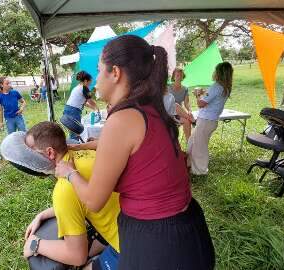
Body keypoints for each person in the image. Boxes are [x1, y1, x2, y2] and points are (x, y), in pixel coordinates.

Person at [55, 35, 215, 270]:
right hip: (189, 229)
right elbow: (135, 151)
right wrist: (81, 146)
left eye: (99, 71)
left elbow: (93, 200)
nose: (97, 79)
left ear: (116, 73)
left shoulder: (121, 119)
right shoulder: (151, 107)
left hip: (159, 243)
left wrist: (68, 173)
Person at [19, 122, 120, 269]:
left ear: (50, 153)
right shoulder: (87, 154)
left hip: (134, 247)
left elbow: (77, 256)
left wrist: (35, 244)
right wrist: (43, 214)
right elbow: (80, 200)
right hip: (137, 224)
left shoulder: (64, 189)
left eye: (31, 151)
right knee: (91, 252)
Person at [188, 62, 233, 175]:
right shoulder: (225, 87)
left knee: (199, 146)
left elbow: (201, 104)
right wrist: (204, 93)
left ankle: (200, 171)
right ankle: (189, 164)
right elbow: (211, 99)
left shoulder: (216, 86)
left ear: (219, 73)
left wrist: (197, 95)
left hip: (206, 121)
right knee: (192, 142)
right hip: (210, 121)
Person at [63, 71, 99, 140]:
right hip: (73, 111)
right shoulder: (85, 88)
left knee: (72, 131)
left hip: (68, 109)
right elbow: (90, 101)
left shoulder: (77, 87)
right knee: (75, 132)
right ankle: (75, 147)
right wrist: (96, 107)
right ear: (85, 81)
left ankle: (73, 144)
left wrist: (92, 107)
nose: (90, 84)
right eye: (89, 82)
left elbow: (83, 102)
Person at [170, 68, 194, 141]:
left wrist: (189, 110)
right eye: (177, 75)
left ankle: (189, 145)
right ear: (173, 77)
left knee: (187, 121)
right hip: (169, 112)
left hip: (178, 114)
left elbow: (186, 103)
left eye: (181, 75)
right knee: (175, 104)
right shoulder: (168, 87)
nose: (179, 77)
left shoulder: (185, 89)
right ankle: (192, 120)